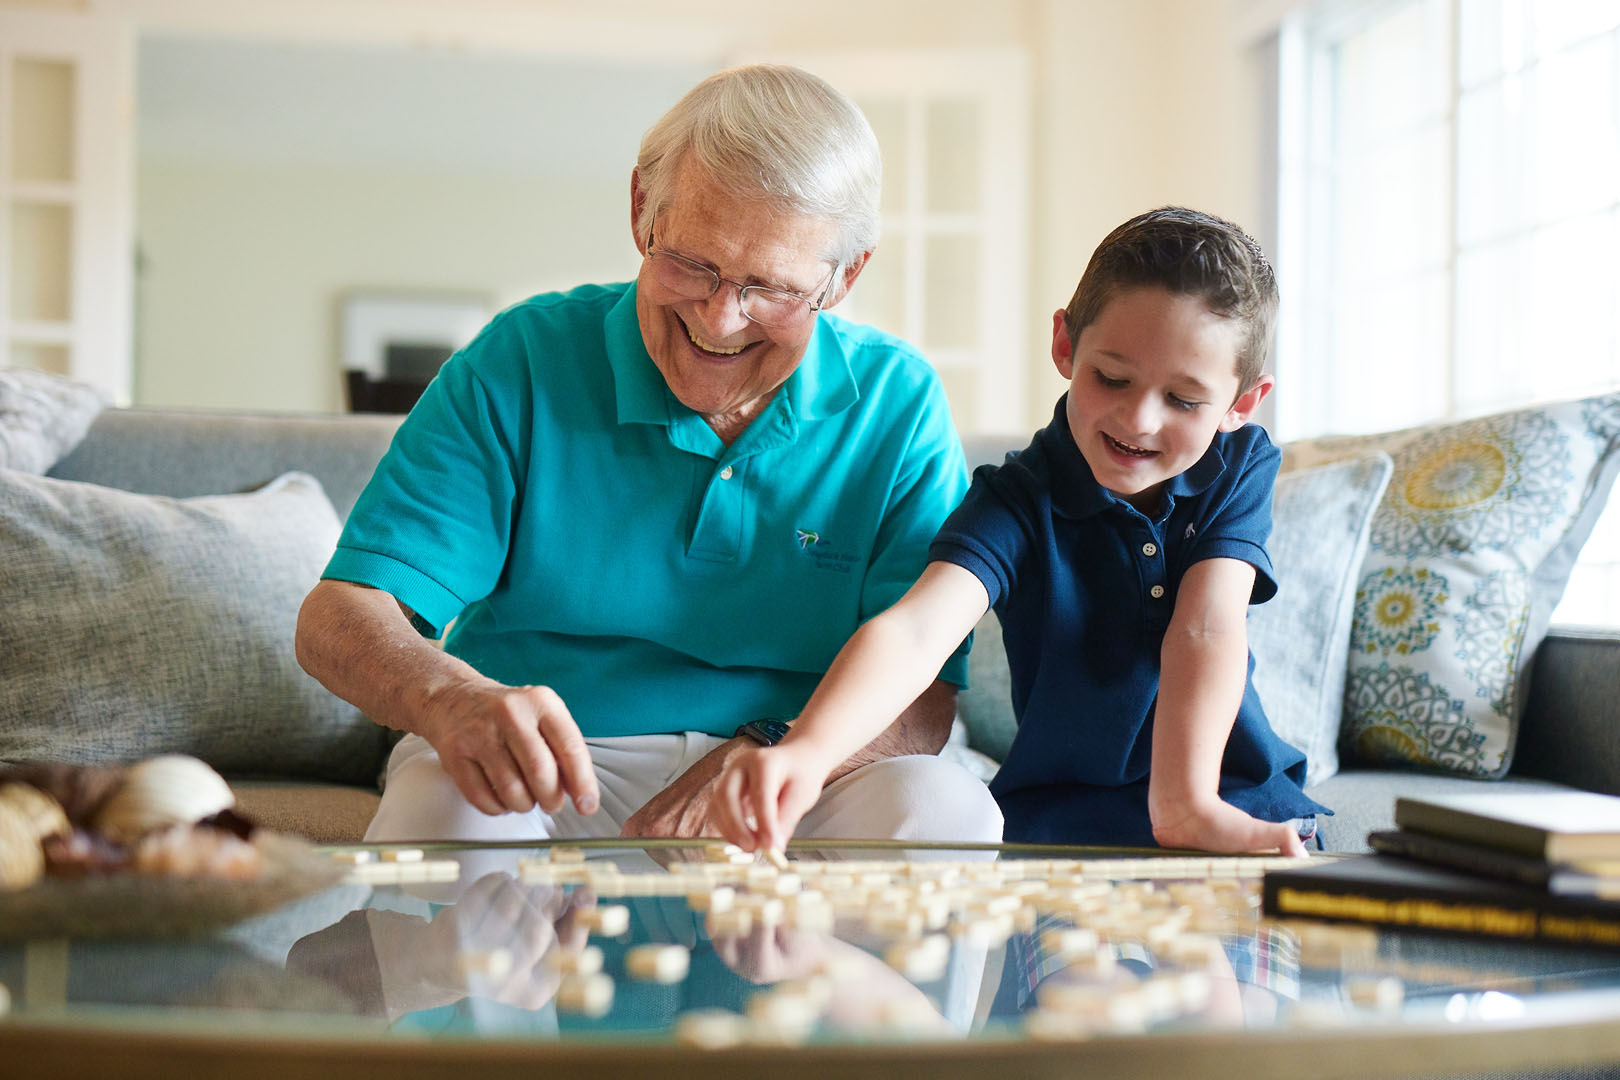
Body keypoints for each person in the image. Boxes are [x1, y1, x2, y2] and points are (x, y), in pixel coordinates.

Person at [294, 64, 1002, 848]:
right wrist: (450, 697)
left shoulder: (897, 402)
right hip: (556, 767)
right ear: (642, 210)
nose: (721, 319)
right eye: (693, 264)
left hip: (797, 767)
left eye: (769, 286)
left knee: (948, 811)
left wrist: (774, 748)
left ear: (843, 277)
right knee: (445, 804)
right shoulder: (522, 360)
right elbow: (340, 615)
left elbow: (926, 694)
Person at [716, 207, 1329, 856]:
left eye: (1183, 399)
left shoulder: (1240, 466)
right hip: (1067, 831)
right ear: (1065, 346)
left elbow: (1207, 623)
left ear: (1240, 405)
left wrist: (1187, 804)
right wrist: (808, 752)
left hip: (1231, 805)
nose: (1140, 419)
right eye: (1113, 378)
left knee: (1244, 956)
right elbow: (916, 631)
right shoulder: (1012, 500)